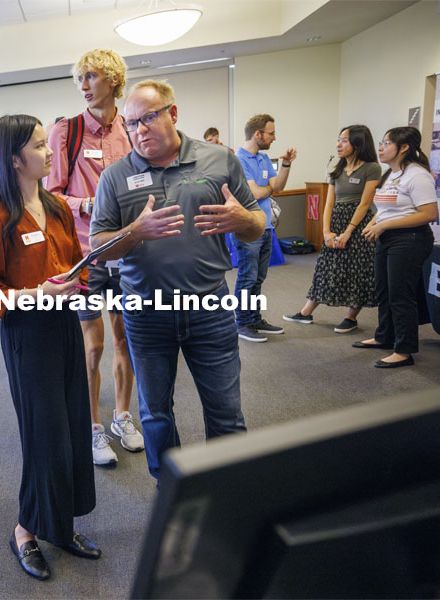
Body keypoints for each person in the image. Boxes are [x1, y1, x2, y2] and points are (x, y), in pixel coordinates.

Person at [89, 80, 264, 481]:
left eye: (148, 118)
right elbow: (96, 246)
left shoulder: (220, 159)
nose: (140, 130)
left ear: (173, 113)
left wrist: (243, 221)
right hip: (146, 312)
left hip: (209, 307)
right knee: (155, 415)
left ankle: (229, 494)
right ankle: (172, 494)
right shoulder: (116, 176)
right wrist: (135, 231)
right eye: (131, 124)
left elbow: (256, 225)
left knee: (225, 409)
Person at [0, 114, 98, 582]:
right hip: (28, 336)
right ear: (13, 158)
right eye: (40, 147)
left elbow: (70, 266)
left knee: (71, 431)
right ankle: (25, 530)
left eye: (48, 144)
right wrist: (37, 293)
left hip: (64, 326)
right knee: (44, 437)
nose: (50, 153)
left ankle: (59, 526)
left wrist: (74, 281)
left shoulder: (58, 207)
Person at [45, 48, 141, 467]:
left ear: (114, 80)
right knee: (92, 346)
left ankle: (122, 415)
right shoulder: (65, 131)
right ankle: (93, 426)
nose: (83, 86)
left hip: (129, 254)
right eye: (79, 79)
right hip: (85, 256)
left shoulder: (132, 129)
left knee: (126, 340)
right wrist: (85, 205)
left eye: (91, 77)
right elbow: (50, 196)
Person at [354, 127, 438, 368]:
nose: (380, 147)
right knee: (384, 291)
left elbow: (429, 214)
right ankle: (384, 337)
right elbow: (385, 209)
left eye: (386, 143)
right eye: (381, 142)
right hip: (388, 237)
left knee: (401, 295)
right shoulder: (390, 174)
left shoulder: (417, 175)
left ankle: (404, 349)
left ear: (404, 148)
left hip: (410, 239)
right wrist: (374, 224)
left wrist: (383, 226)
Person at [283, 126, 380, 332]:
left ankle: (351, 318)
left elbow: (364, 204)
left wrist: (348, 232)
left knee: (357, 270)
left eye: (344, 140)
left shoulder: (372, 168)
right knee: (326, 267)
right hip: (336, 222)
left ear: (358, 143)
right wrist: (326, 231)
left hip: (358, 224)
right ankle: (305, 313)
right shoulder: (336, 170)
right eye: (338, 140)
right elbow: (328, 204)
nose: (338, 144)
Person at [234, 114, 297, 342]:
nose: (274, 137)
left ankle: (254, 318)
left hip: (267, 227)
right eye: (270, 133)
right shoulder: (238, 160)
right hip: (247, 228)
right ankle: (241, 322)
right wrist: (267, 188)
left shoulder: (263, 158)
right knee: (247, 278)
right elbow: (255, 193)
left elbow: (276, 186)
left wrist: (286, 165)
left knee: (258, 278)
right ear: (257, 134)